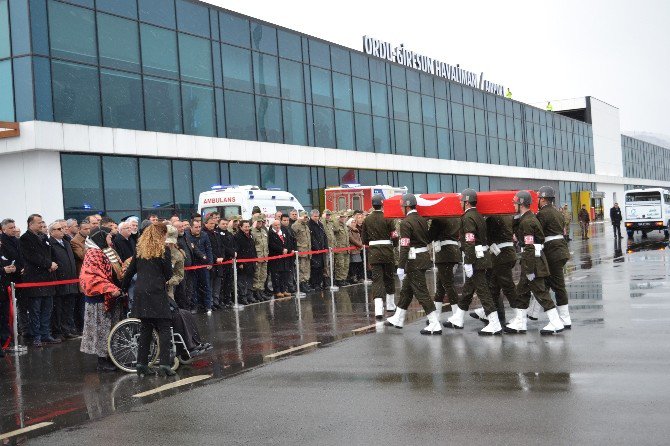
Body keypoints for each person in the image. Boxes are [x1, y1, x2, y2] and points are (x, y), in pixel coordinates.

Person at [504, 191, 565, 335]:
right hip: (532, 260)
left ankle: (556, 322)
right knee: (522, 292)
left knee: (540, 292)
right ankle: (520, 322)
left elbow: (529, 247)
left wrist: (530, 269)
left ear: (521, 204)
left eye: (515, 203)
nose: (513, 205)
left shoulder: (527, 222)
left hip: (533, 262)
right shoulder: (527, 219)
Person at [444, 189, 500, 335]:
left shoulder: (468, 217)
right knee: (468, 290)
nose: (460, 203)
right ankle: (458, 318)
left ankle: (494, 323)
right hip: (481, 257)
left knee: (483, 291)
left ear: (467, 202)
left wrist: (468, 262)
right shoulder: (478, 216)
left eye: (461, 201)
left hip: (475, 259)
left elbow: (469, 241)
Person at [122, 223, 175, 377]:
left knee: (146, 327)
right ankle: (165, 364)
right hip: (156, 292)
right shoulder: (163, 250)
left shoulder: (140, 250)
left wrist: (123, 288)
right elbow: (169, 274)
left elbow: (130, 271)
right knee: (164, 327)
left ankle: (141, 364)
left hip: (141, 292)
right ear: (162, 234)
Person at [385, 194, 438, 334]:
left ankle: (434, 323)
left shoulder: (406, 222)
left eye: (402, 206)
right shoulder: (422, 219)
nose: (402, 209)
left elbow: (405, 246)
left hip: (414, 261)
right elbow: (426, 239)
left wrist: (401, 266)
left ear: (407, 206)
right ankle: (399, 317)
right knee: (406, 291)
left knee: (421, 292)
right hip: (423, 258)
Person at [79, 226, 123, 372]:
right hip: (99, 298)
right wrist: (110, 289)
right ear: (100, 237)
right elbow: (92, 277)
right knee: (101, 329)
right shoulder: (93, 253)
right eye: (109, 236)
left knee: (111, 327)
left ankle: (110, 356)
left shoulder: (108, 250)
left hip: (113, 296)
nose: (111, 239)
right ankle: (102, 361)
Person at [529, 186, 572, 328]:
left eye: (539, 199)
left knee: (558, 285)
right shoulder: (557, 212)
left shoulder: (543, 214)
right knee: (545, 283)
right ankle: (533, 313)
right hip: (560, 250)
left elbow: (538, 233)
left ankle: (564, 319)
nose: (538, 201)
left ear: (542, 199)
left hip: (553, 252)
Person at [20, 214, 61, 347]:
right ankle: (36, 336)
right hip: (35, 279)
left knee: (47, 309)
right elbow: (33, 257)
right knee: (35, 310)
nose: (41, 224)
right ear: (30, 224)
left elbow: (49, 254)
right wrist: (48, 264)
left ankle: (45, 334)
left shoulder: (44, 238)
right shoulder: (25, 239)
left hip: (47, 279)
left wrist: (52, 264)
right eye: (38, 222)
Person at [472, 215, 516, 325]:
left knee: (507, 287)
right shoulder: (508, 216)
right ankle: (490, 312)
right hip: (504, 254)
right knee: (494, 286)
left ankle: (519, 316)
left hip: (501, 256)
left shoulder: (493, 218)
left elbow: (486, 236)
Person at [361, 194, 397, 319]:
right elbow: (394, 235)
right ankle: (391, 305)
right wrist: (395, 245)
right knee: (389, 278)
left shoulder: (367, 220)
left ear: (372, 205)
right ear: (382, 204)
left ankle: (378, 310)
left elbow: (364, 239)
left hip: (374, 253)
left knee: (377, 280)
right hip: (387, 252)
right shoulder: (388, 218)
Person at [48, 221, 80, 340]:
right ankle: (58, 331)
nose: (62, 230)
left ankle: (66, 330)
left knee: (68, 308)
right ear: (52, 232)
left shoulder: (66, 243)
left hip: (71, 280)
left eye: (63, 228)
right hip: (59, 282)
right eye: (59, 229)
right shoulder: (50, 244)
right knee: (58, 309)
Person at [428, 215, 461, 321]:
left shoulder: (439, 218)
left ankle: (457, 315)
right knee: (441, 285)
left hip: (444, 254)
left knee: (448, 284)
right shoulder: (457, 218)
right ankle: (436, 314)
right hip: (453, 251)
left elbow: (430, 236)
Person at [1, 218, 27, 337]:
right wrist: (14, 268)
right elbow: (5, 259)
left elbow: (21, 256)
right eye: (11, 228)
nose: (14, 229)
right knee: (8, 310)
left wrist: (22, 267)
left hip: (20, 277)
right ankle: (9, 336)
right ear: (4, 229)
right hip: (7, 279)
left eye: (14, 227)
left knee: (22, 305)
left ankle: (21, 330)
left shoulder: (17, 240)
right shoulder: (2, 242)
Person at [189, 220, 213, 314]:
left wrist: (210, 262)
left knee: (206, 285)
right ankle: (195, 306)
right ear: (191, 227)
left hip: (204, 264)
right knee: (194, 287)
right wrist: (202, 255)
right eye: (196, 227)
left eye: (199, 227)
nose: (198, 229)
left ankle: (208, 306)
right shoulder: (187, 236)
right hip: (193, 265)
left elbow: (208, 249)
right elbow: (193, 249)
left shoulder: (204, 235)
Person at [203, 215, 224, 309]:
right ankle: (210, 302)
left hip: (219, 262)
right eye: (210, 223)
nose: (213, 225)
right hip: (211, 262)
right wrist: (215, 258)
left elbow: (221, 246)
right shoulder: (204, 233)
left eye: (213, 223)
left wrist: (222, 257)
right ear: (205, 223)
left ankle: (216, 300)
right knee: (210, 283)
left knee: (217, 282)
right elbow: (208, 249)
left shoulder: (216, 232)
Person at [234, 220, 257, 305]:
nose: (247, 228)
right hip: (243, 262)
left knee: (250, 280)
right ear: (240, 227)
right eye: (245, 227)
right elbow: (237, 250)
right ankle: (243, 297)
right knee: (242, 281)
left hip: (251, 261)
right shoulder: (237, 236)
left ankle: (249, 296)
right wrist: (240, 263)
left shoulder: (250, 235)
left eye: (248, 226)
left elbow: (253, 248)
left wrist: (255, 259)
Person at [268, 219, 292, 298]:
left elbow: (288, 241)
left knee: (284, 274)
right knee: (276, 275)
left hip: (284, 257)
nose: (277, 226)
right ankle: (277, 291)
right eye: (275, 225)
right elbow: (271, 244)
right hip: (275, 257)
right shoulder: (271, 233)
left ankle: (283, 289)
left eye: (278, 225)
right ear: (272, 226)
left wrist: (287, 249)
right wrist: (281, 249)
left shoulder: (283, 232)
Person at [217, 217, 236, 308]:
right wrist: (232, 252)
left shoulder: (229, 234)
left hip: (229, 261)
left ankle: (227, 299)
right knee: (222, 282)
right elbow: (222, 246)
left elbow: (233, 245)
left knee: (229, 281)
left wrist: (234, 252)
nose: (224, 225)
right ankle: (221, 300)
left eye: (226, 224)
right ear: (219, 224)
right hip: (222, 261)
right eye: (223, 224)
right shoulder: (217, 234)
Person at [251, 215, 270, 302]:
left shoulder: (263, 231)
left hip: (264, 256)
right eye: (258, 222)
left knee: (263, 275)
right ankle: (256, 292)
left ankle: (261, 290)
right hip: (257, 257)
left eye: (261, 222)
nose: (260, 223)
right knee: (257, 276)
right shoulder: (252, 232)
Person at [308, 210, 328, 290]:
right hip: (315, 250)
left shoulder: (320, 224)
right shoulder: (309, 224)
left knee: (321, 267)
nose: (316, 218)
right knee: (315, 267)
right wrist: (316, 248)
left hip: (322, 249)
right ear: (311, 216)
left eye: (317, 216)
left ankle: (319, 283)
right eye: (314, 216)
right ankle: (314, 283)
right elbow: (312, 238)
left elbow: (324, 236)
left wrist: (325, 246)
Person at [292, 211, 312, 292]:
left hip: (307, 250)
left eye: (306, 217)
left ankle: (305, 282)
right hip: (301, 251)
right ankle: (301, 284)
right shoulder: (296, 225)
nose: (305, 218)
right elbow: (293, 235)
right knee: (301, 268)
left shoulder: (306, 226)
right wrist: (300, 220)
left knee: (307, 268)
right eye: (304, 217)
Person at [281, 214, 297, 293]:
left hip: (291, 254)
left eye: (287, 220)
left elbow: (294, 240)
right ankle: (287, 287)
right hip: (285, 254)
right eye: (284, 220)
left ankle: (290, 286)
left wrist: (294, 249)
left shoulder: (290, 229)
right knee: (286, 271)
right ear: (281, 221)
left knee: (291, 270)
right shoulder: (280, 229)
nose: (286, 222)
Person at [347, 217, 364, 283]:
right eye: (352, 222)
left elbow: (359, 238)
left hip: (357, 249)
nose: (353, 223)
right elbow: (351, 239)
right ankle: (353, 276)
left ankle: (357, 276)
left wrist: (360, 244)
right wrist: (360, 245)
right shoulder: (349, 230)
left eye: (354, 222)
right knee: (353, 264)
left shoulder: (356, 230)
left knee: (358, 263)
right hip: (353, 249)